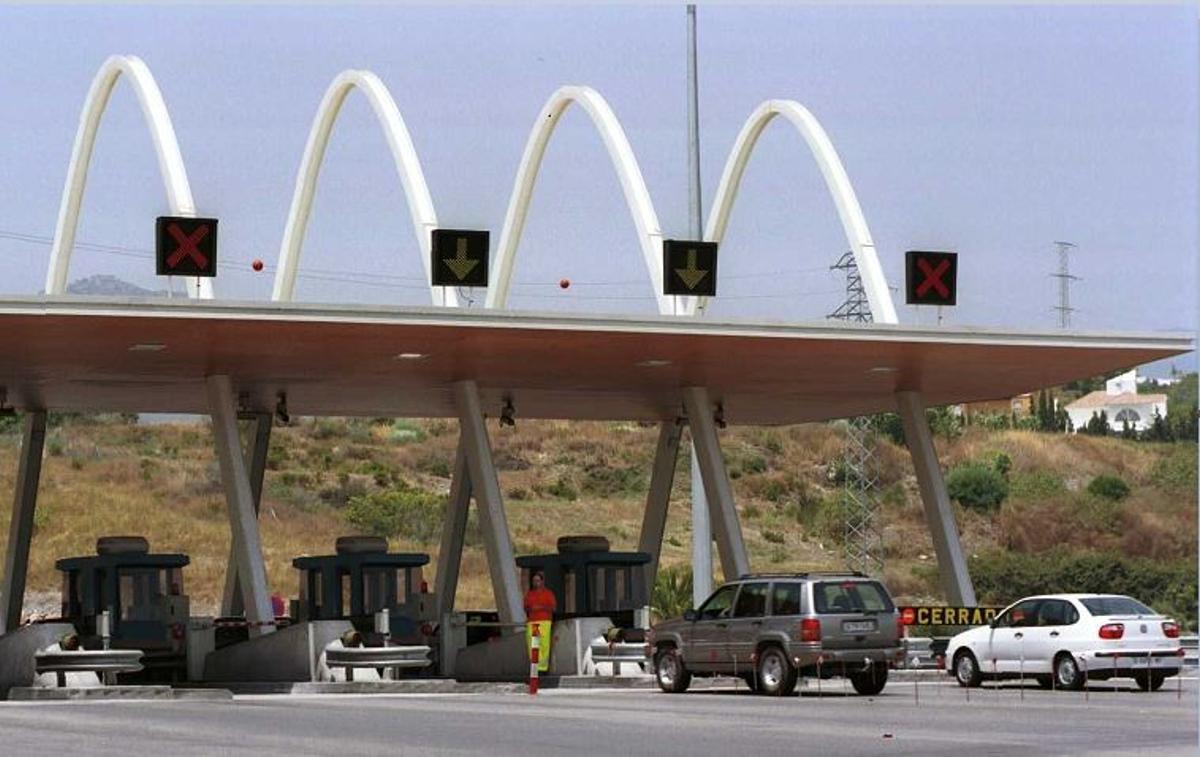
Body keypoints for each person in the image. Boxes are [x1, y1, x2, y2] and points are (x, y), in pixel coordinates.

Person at [523, 571, 556, 673]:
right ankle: (536, 666)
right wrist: (531, 609)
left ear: (542, 582)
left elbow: (553, 608)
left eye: (538, 580)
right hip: (533, 622)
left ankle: (542, 668)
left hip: (545, 622)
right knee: (533, 644)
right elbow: (526, 607)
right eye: (534, 581)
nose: (535, 582)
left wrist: (540, 607)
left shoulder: (548, 594)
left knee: (544, 644)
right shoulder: (529, 594)